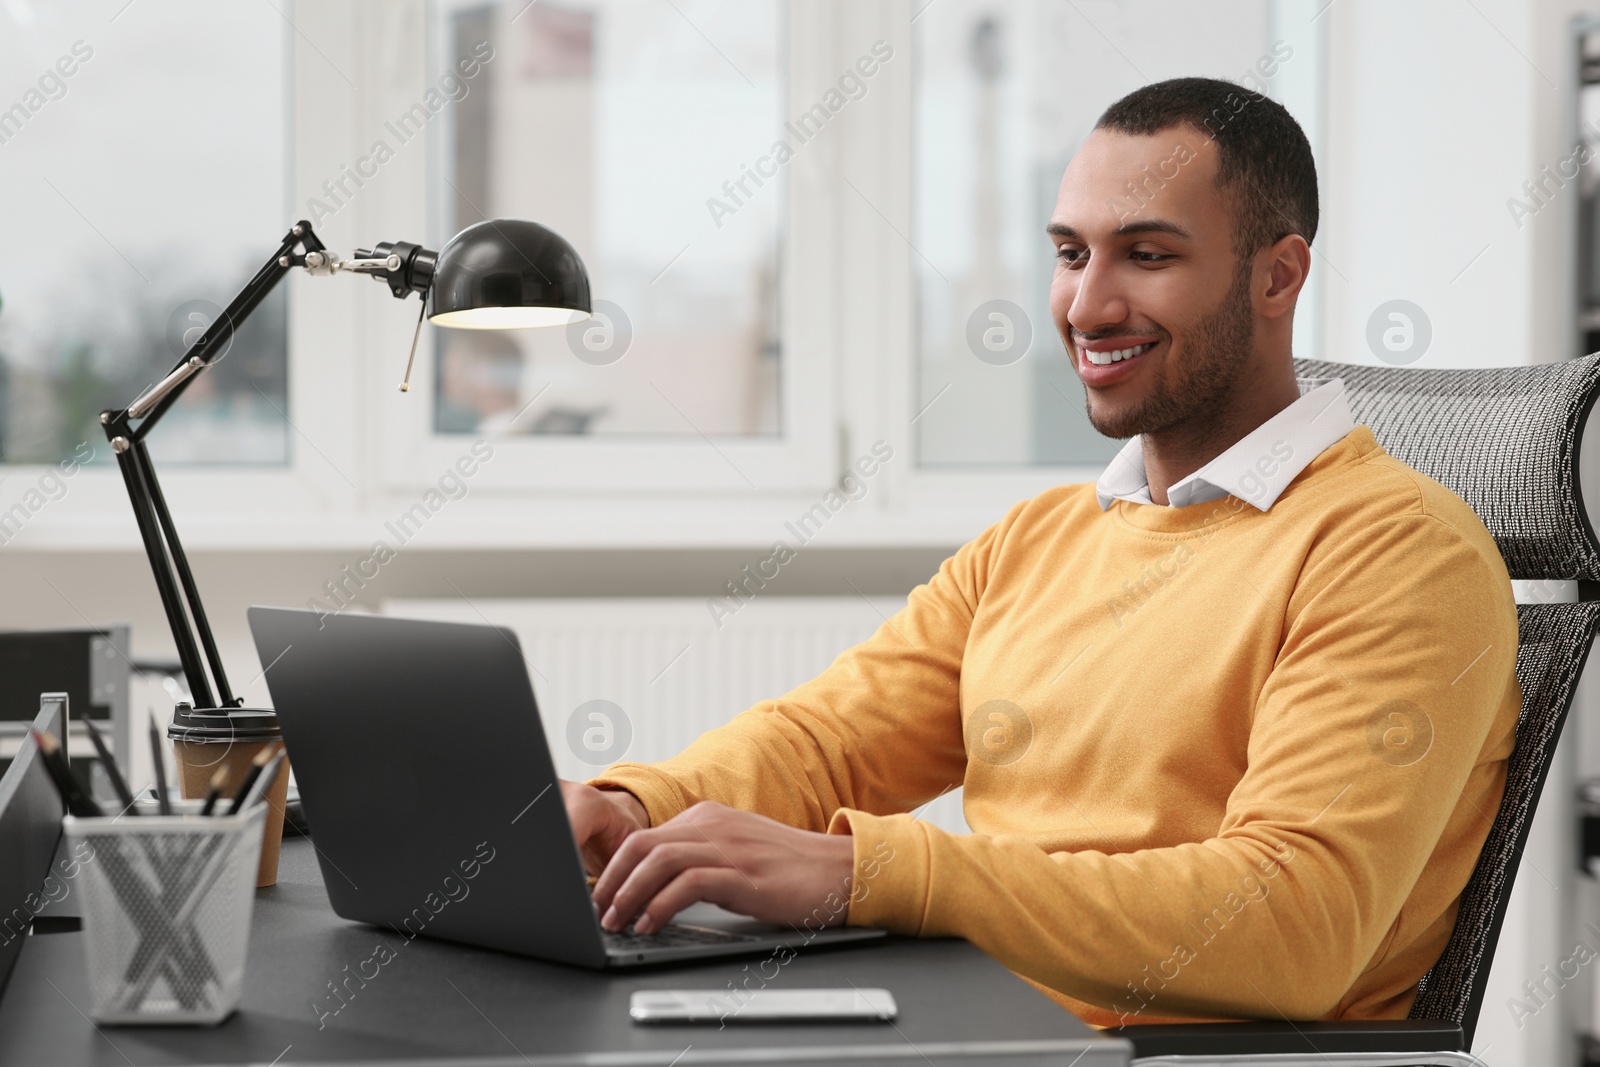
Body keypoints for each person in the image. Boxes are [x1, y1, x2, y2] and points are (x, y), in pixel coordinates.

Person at [560, 76, 1521, 1029]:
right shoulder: (1038, 538)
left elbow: (1292, 922)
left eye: (1146, 255)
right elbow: (831, 745)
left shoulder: (1402, 553)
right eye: (1070, 254)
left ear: (1279, 275)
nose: (1089, 305)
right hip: (976, 1027)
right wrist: (638, 808)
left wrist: (871, 874)